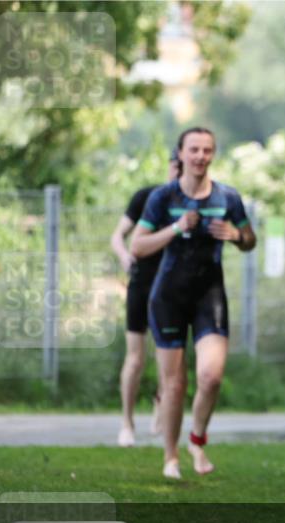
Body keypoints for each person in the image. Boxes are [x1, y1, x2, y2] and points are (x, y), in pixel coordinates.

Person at [129, 127, 257, 479]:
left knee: (211, 377)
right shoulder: (163, 198)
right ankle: (170, 457)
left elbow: (250, 239)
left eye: (207, 150)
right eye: (194, 150)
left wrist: (236, 235)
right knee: (174, 384)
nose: (200, 156)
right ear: (181, 154)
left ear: (213, 154)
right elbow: (136, 247)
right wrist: (175, 228)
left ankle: (196, 438)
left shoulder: (228, 197)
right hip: (168, 296)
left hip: (209, 294)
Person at [110, 149, 181, 447]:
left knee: (171, 362)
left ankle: (161, 404)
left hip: (173, 288)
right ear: (170, 165)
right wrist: (126, 257)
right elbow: (118, 237)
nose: (180, 171)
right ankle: (127, 423)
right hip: (141, 286)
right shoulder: (147, 198)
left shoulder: (192, 206)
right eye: (177, 165)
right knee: (135, 358)